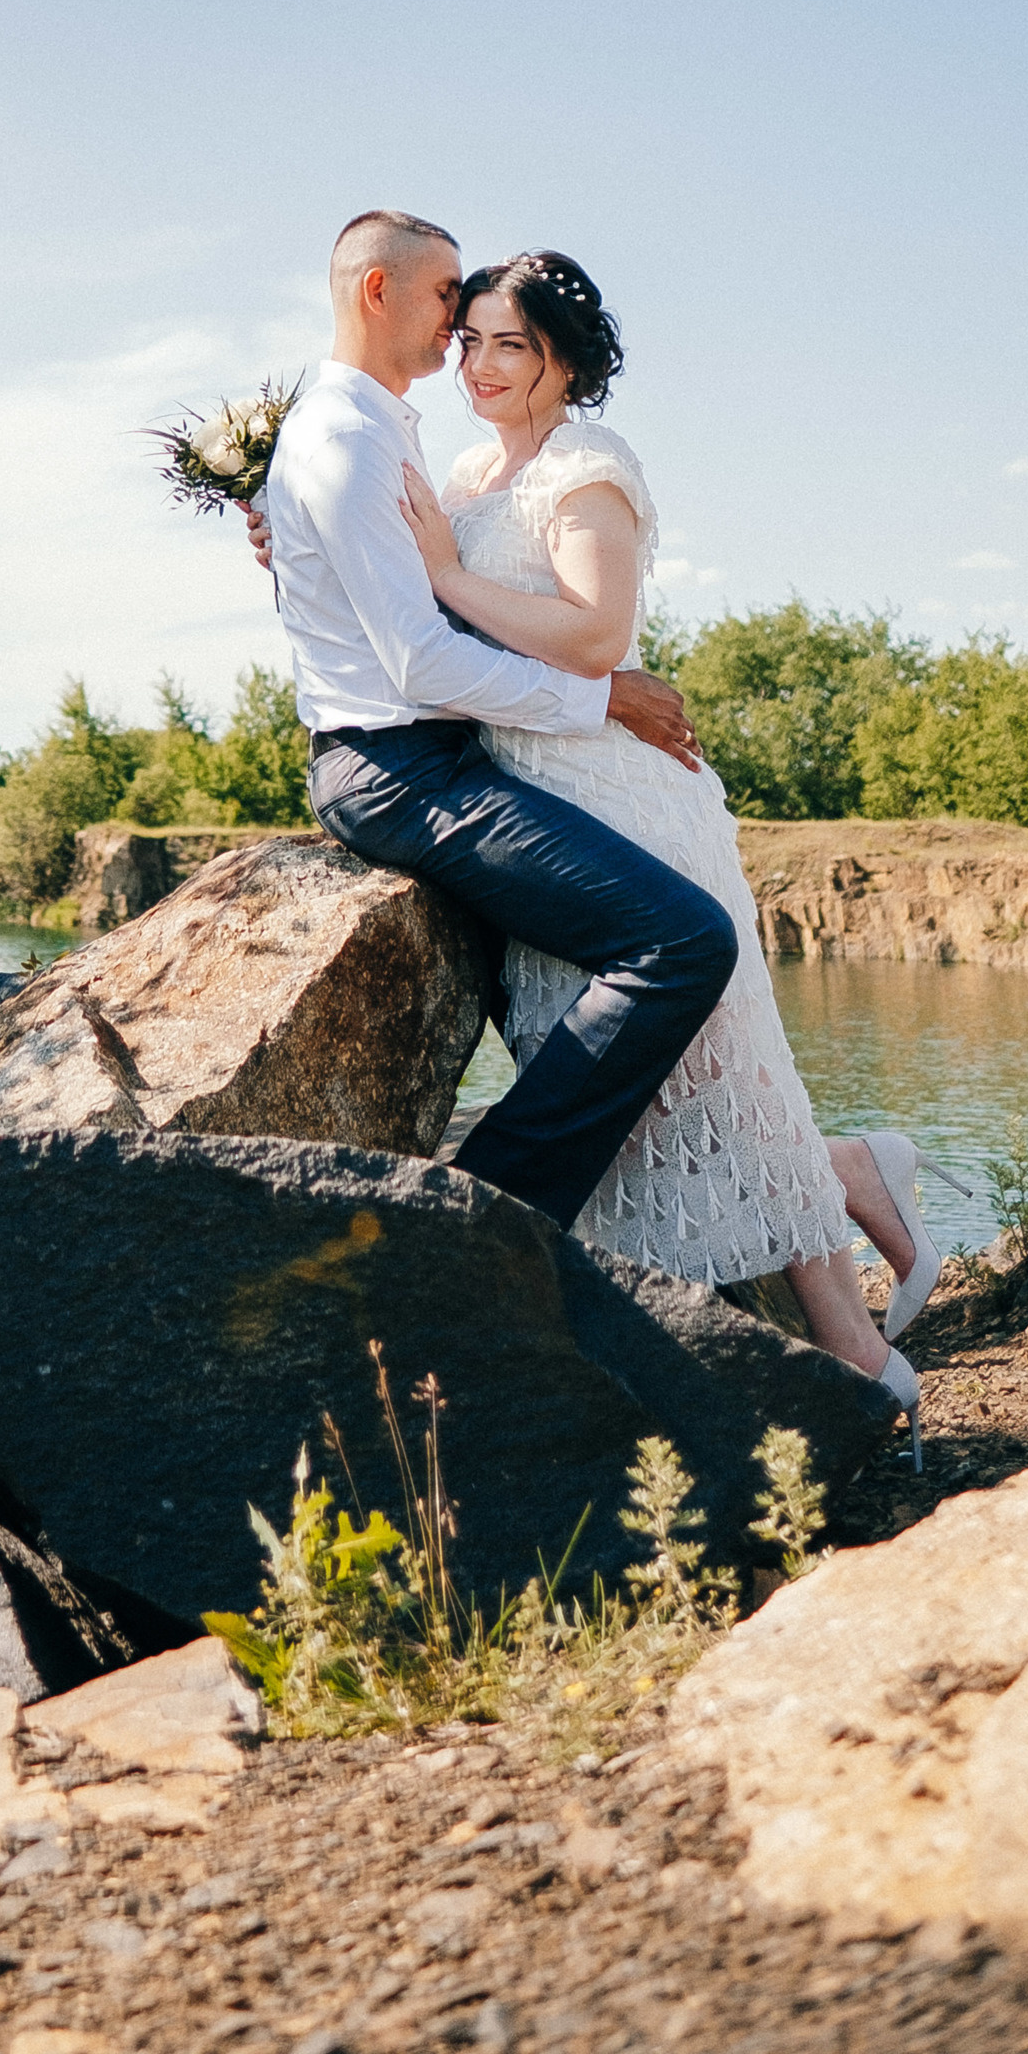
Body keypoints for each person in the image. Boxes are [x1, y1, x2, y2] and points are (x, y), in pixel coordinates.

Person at [257, 209, 928, 1447]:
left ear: (561, 361)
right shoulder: (356, 440)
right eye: (452, 314)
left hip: (542, 769)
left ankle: (815, 1307)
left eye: (497, 335)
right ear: (373, 291)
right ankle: (493, 1223)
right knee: (674, 967)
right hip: (419, 760)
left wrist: (312, 546)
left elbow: (441, 607)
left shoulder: (418, 442)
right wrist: (601, 692)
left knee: (694, 1013)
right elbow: (414, 650)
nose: (467, 346)